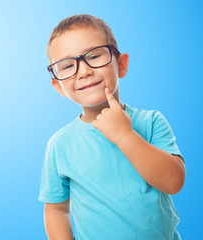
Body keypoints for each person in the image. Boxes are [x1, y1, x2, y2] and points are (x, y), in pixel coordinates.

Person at [39, 14, 185, 240]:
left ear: (121, 65)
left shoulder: (151, 122)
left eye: (94, 56)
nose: (84, 71)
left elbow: (173, 182)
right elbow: (56, 209)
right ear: (59, 87)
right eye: (67, 66)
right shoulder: (60, 144)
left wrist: (125, 135)